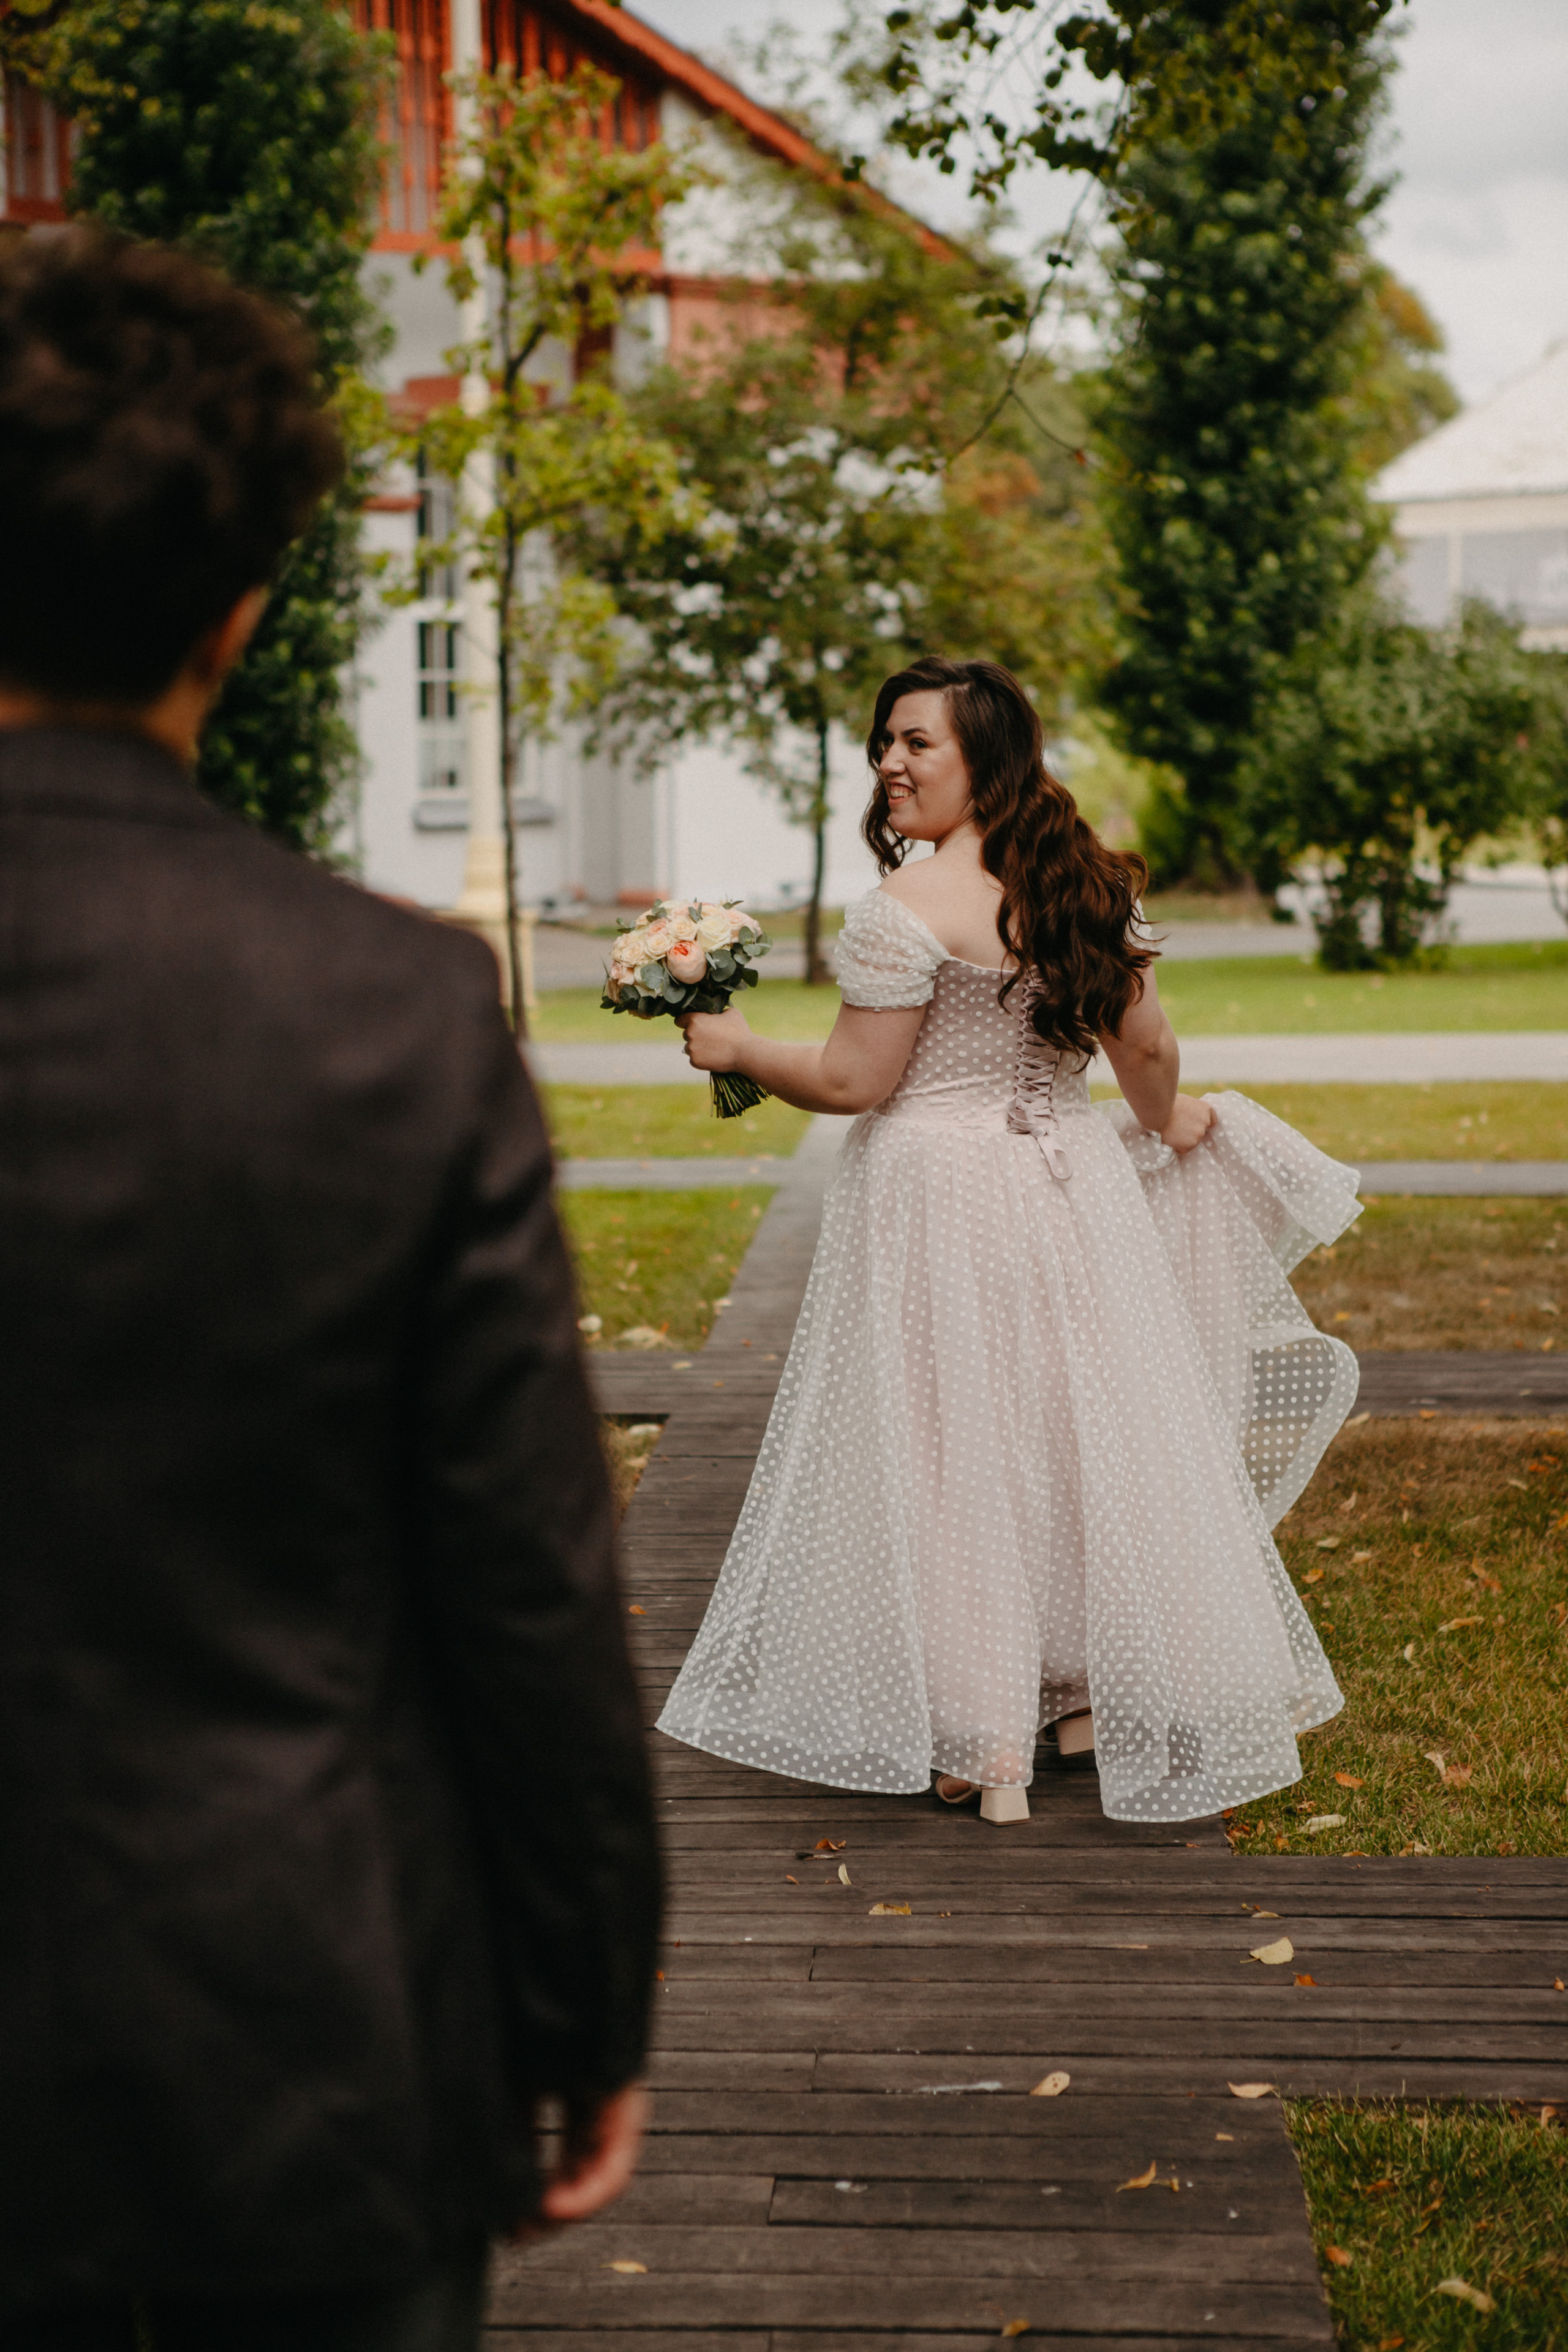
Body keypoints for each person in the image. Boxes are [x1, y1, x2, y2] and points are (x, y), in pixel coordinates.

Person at [0, 229, 658, 2348]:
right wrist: (580, 2002)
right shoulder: (393, 1015)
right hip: (292, 2064)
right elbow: (528, 1591)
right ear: (244, 611)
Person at [660, 657, 1362, 1825]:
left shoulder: (906, 909)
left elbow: (852, 1078)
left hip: (937, 1192)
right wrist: (1168, 1127)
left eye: (916, 743)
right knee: (1069, 1424)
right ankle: (1081, 1694)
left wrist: (736, 1050)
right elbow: (1145, 1049)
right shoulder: (1085, 883)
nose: (889, 762)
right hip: (1072, 1183)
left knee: (946, 1441)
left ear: (984, 760)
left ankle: (983, 1734)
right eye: (885, 741)